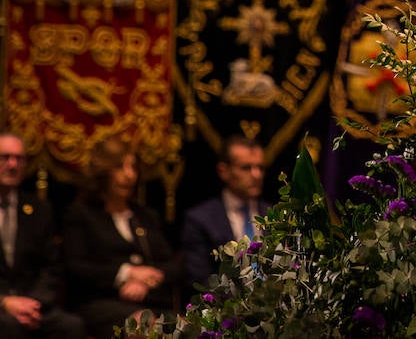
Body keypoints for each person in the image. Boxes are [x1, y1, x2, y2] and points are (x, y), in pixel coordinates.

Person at [62, 137, 184, 339]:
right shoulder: (81, 214)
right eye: (120, 167)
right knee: (142, 323)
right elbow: (75, 267)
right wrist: (127, 273)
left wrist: (146, 280)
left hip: (150, 300)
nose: (129, 175)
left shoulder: (146, 216)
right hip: (101, 303)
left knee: (193, 323)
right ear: (103, 171)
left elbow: (174, 264)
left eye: (133, 168)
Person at [0, 132, 86, 339]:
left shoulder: (39, 210)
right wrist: (4, 302)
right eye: (5, 157)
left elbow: (52, 267)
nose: (13, 165)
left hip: (31, 302)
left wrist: (32, 304)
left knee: (72, 326)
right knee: (8, 327)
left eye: (19, 159)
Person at [180, 135, 269, 290]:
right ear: (224, 171)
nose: (257, 175)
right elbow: (201, 281)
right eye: (246, 168)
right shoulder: (200, 219)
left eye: (260, 168)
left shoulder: (274, 215)